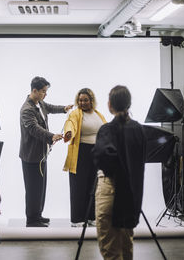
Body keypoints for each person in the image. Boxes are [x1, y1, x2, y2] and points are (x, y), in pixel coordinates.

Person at [91, 85, 146, 259]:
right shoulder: (139, 129)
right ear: (128, 104)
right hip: (131, 193)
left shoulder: (107, 130)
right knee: (126, 245)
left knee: (111, 249)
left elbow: (102, 160)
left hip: (110, 189)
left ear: (110, 105)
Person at [19, 76, 73, 227]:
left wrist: (64, 109)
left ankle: (38, 214)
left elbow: (50, 107)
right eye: (43, 91)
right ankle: (32, 219)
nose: (45, 94)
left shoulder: (40, 103)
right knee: (32, 188)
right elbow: (35, 130)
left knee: (40, 186)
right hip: (31, 156)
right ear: (34, 90)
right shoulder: (26, 110)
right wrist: (51, 136)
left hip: (41, 154)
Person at [63, 88, 106, 227]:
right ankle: (77, 219)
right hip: (81, 152)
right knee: (78, 186)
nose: (82, 102)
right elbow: (70, 124)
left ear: (91, 101)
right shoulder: (76, 114)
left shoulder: (98, 114)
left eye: (85, 100)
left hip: (97, 152)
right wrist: (69, 132)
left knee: (94, 185)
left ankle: (91, 217)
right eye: (80, 100)